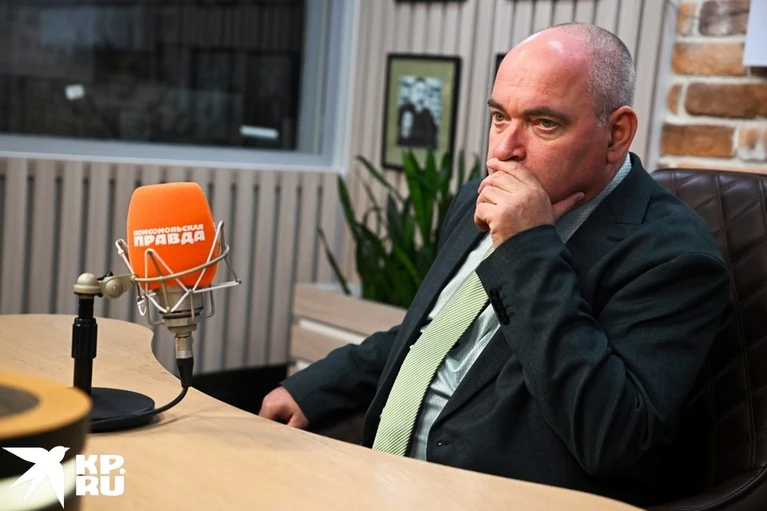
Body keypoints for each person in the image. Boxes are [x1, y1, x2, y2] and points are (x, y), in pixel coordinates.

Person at [259, 22, 730, 508]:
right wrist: (319, 386)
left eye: (544, 123)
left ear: (616, 134)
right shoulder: (478, 198)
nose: (505, 150)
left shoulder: (673, 255)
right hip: (384, 479)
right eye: (500, 117)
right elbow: (437, 330)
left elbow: (609, 435)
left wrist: (527, 247)